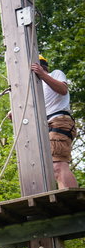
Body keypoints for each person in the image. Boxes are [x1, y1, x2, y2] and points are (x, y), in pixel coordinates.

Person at [31, 54, 78, 188]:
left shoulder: (55, 74)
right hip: (43, 126)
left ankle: (72, 201)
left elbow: (63, 90)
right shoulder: (34, 88)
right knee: (48, 169)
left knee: (58, 165)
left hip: (59, 121)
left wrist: (42, 74)